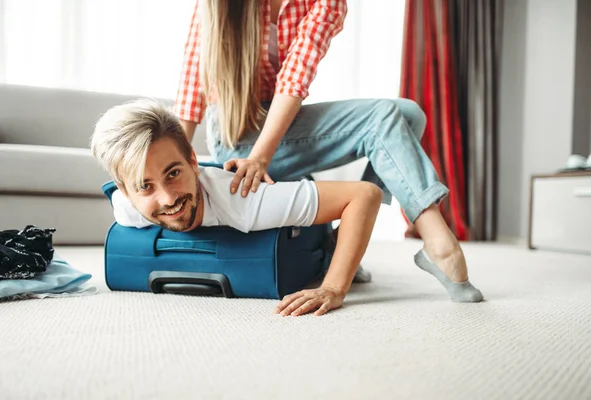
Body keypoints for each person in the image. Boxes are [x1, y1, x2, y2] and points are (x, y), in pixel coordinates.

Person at [173, 0, 484, 302]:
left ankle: (344, 243)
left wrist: (263, 155)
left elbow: (296, 76)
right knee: (384, 118)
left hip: (277, 124)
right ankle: (440, 245)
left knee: (407, 115)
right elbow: (191, 80)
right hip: (236, 135)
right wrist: (178, 158)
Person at [91, 99, 482, 319]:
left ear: (193, 161)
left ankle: (361, 248)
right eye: (145, 186)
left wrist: (333, 287)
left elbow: (362, 195)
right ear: (127, 191)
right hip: (238, 134)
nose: (167, 198)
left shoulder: (244, 201)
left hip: (265, 158)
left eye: (173, 173)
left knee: (405, 115)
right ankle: (336, 243)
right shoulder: (125, 205)